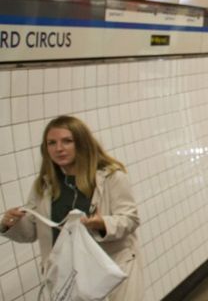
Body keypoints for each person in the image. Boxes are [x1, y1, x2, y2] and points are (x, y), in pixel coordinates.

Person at [0, 115, 142, 300]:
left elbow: (130, 219)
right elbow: (32, 233)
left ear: (82, 144)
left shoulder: (110, 177)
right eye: (52, 143)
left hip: (110, 269)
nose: (59, 148)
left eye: (67, 141)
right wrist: (12, 224)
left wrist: (102, 224)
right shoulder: (44, 185)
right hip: (67, 275)